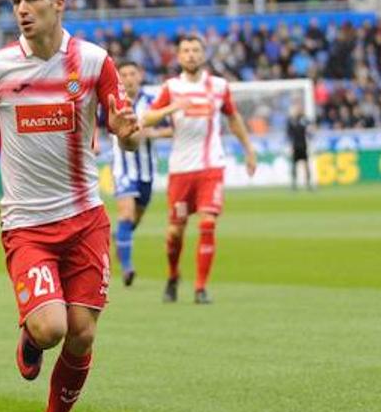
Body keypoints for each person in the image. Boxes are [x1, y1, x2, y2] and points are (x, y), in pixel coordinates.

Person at [0, 0, 139, 412]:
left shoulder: (96, 62)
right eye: (15, 0)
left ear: (59, 4)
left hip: (84, 218)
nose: (21, 9)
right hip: (27, 225)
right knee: (53, 328)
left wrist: (125, 128)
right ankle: (32, 334)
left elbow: (127, 128)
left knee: (81, 334)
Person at [140, 34, 258, 305]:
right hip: (181, 169)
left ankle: (201, 287)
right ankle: (172, 275)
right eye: (186, 51)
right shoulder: (171, 87)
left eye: (195, 50)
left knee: (207, 222)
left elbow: (234, 118)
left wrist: (249, 150)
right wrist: (173, 107)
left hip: (211, 167)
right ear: (179, 57)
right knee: (174, 232)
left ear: (203, 55)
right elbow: (147, 118)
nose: (191, 55)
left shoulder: (219, 86)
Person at [110, 61, 171, 286]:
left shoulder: (153, 103)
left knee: (134, 221)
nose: (128, 78)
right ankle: (127, 269)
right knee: (126, 215)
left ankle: (120, 237)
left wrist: (153, 134)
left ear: (140, 75)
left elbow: (172, 128)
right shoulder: (112, 101)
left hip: (146, 171)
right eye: (123, 74)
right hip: (122, 169)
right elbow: (97, 125)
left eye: (132, 74)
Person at [287, 104, 312, 191]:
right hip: (295, 145)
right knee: (294, 165)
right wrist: (290, 146)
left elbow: (310, 127)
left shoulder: (304, 119)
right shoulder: (291, 120)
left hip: (303, 145)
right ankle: (294, 184)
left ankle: (308, 184)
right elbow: (289, 134)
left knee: (306, 164)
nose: (298, 110)